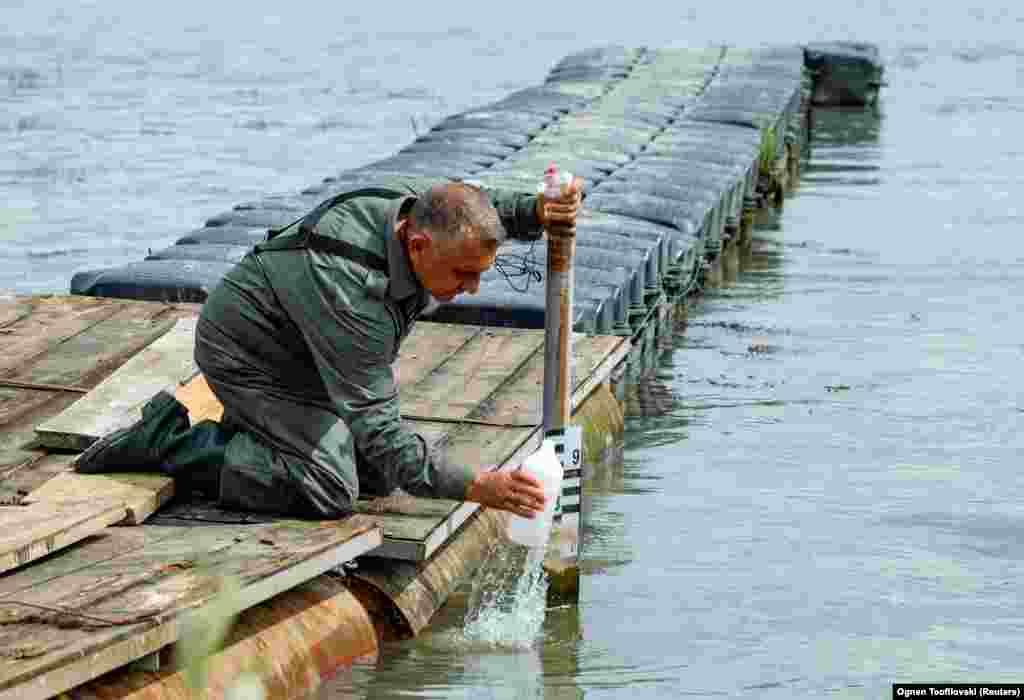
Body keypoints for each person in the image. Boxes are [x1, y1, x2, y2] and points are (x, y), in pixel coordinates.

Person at [76, 175, 584, 522]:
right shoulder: (353, 293)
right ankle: (171, 441)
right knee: (328, 488)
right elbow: (380, 428)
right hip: (251, 359)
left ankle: (258, 436)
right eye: (463, 274)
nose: (472, 288)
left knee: (382, 477)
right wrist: (476, 485)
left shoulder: (421, 210)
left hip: (310, 353)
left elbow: (478, 206)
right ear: (418, 246)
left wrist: (537, 210)